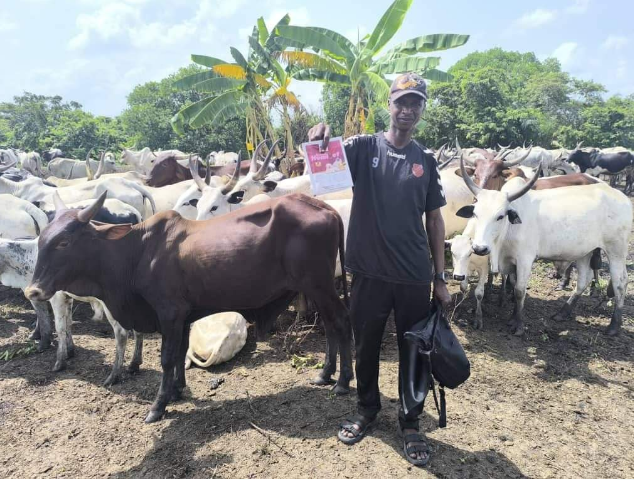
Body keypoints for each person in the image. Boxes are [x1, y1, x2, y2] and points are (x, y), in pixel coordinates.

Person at [308, 72, 452, 467]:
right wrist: (320, 136)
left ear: (422, 109)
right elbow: (322, 172)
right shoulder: (362, 147)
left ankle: (409, 422)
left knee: (414, 352)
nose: (407, 110)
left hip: (413, 275)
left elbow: (435, 221)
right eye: (401, 101)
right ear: (388, 105)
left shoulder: (426, 161)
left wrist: (439, 278)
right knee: (366, 346)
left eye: (416, 103)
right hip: (368, 272)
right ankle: (367, 409)